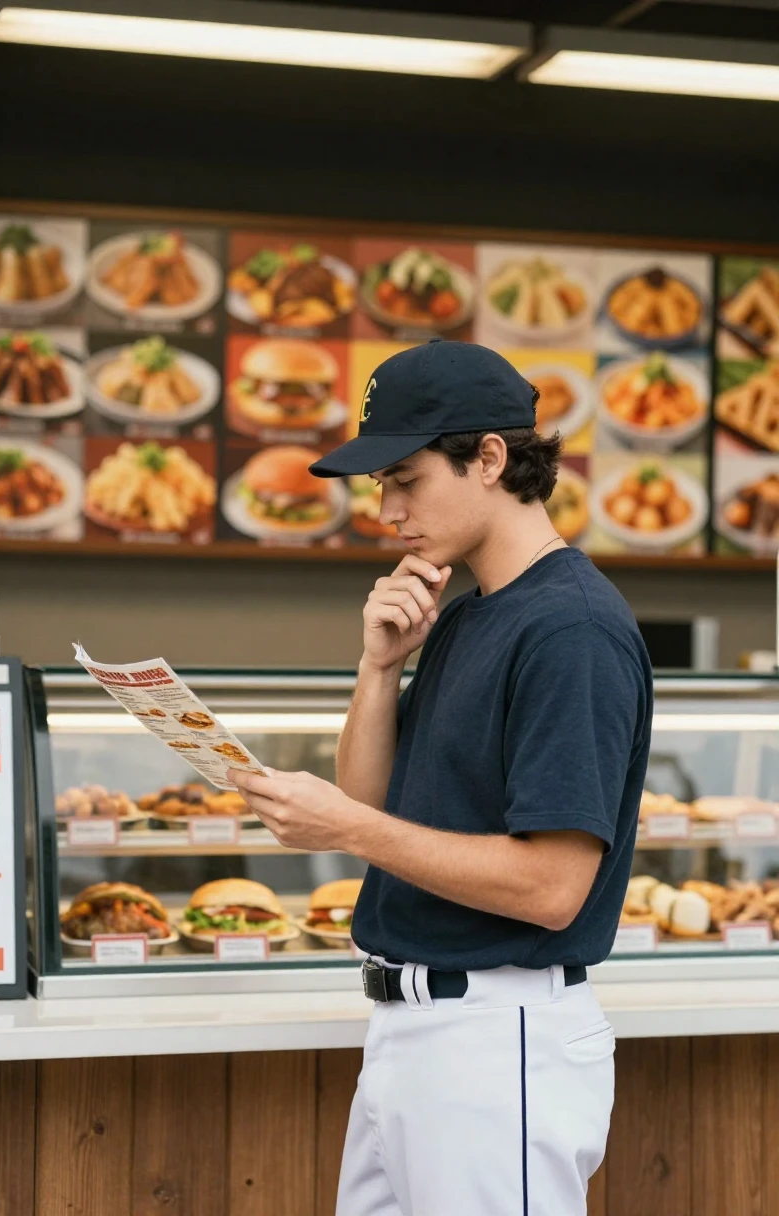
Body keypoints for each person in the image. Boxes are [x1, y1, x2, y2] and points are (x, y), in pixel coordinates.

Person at [229, 338, 653, 1216]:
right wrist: (378, 669)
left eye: (405, 479)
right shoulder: (466, 617)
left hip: (497, 1045)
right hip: (414, 1035)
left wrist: (346, 832)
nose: (387, 512)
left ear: (490, 459)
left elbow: (551, 888)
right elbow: (372, 803)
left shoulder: (571, 629)